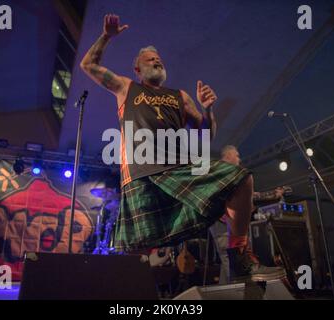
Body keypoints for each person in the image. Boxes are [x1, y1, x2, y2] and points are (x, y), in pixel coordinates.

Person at [80, 14, 284, 282]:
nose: (157, 60)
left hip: (179, 170)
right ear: (137, 70)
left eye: (159, 58)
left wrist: (207, 110)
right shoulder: (126, 87)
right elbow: (88, 64)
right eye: (149, 59)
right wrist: (107, 36)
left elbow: (205, 135)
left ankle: (239, 257)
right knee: (135, 250)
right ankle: (114, 293)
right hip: (141, 173)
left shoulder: (180, 97)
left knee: (242, 179)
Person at [209, 145, 285, 283]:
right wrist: (273, 195)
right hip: (224, 225)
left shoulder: (225, 173)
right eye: (237, 155)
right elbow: (244, 197)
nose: (239, 158)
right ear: (227, 156)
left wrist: (273, 195)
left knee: (228, 268)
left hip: (226, 224)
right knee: (235, 269)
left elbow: (247, 197)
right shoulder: (222, 172)